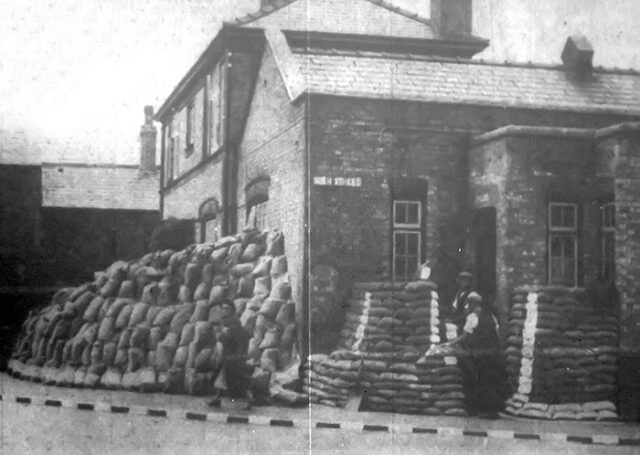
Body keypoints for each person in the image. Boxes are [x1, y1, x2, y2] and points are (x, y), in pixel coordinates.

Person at [442, 292, 508, 418]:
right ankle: (492, 410)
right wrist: (500, 350)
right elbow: (498, 335)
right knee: (491, 381)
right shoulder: (491, 316)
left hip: (477, 354)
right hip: (492, 353)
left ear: (472, 303)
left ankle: (477, 409)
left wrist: (449, 343)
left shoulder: (472, 317)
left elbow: (464, 336)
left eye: (469, 303)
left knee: (475, 380)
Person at [207, 299, 254, 409]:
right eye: (223, 308)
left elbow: (229, 338)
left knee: (240, 381)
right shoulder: (227, 321)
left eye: (227, 308)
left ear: (232, 310)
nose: (224, 310)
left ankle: (250, 401)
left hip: (234, 357)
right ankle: (217, 399)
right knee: (222, 378)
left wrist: (219, 336)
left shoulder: (232, 322)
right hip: (230, 356)